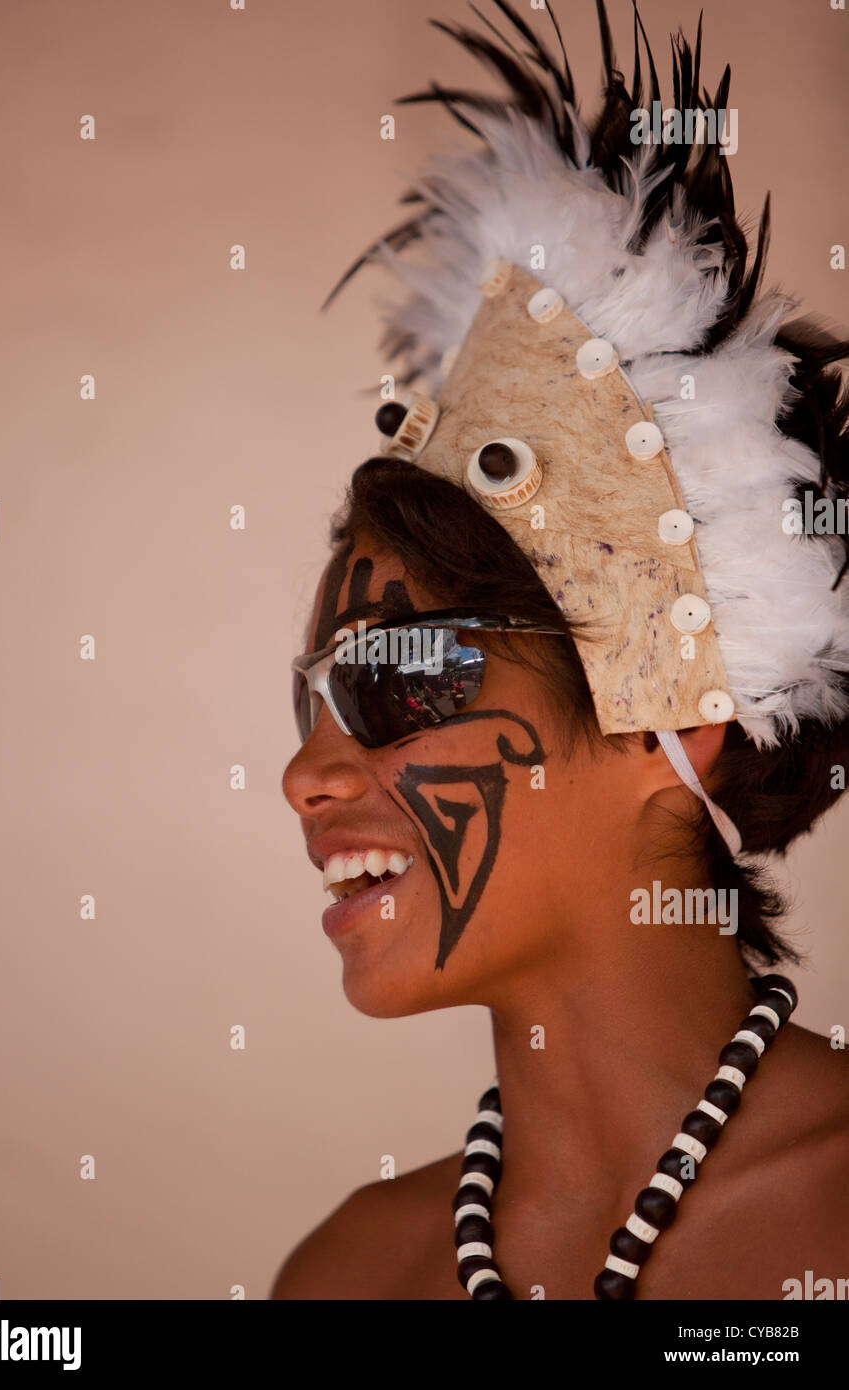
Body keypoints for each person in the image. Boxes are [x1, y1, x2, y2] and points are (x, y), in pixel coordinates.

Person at [272, 0, 849, 1300]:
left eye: (396, 683)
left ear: (667, 723)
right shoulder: (350, 1274)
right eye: (307, 700)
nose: (304, 775)